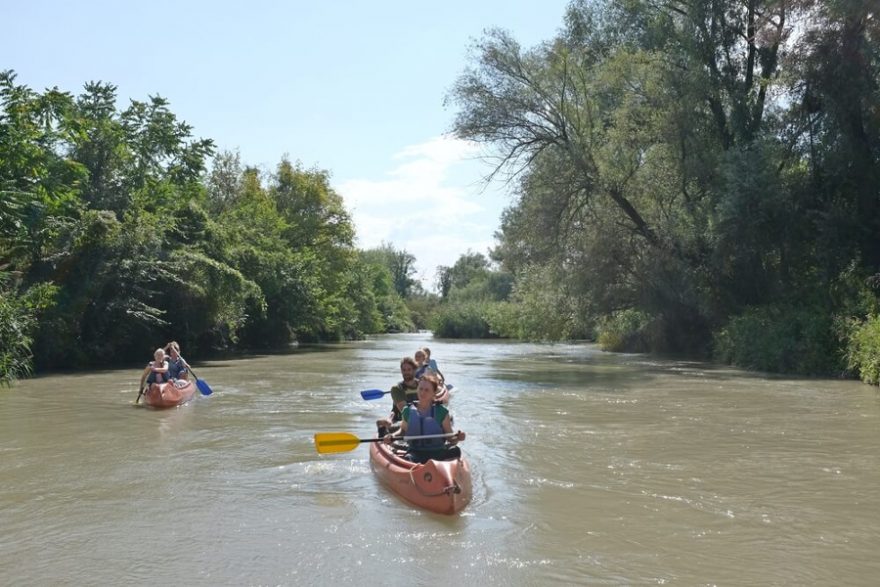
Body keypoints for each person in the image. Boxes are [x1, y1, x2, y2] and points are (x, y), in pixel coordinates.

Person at [383, 374, 465, 463]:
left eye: (427, 390)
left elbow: (450, 438)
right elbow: (402, 431)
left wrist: (458, 437)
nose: (422, 392)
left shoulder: (442, 412)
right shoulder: (408, 411)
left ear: (433, 393)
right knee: (408, 459)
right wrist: (392, 436)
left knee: (456, 450)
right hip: (415, 453)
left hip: (438, 453)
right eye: (420, 389)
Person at [376, 357, 420, 437]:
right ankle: (383, 426)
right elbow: (406, 412)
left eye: (409, 369)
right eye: (404, 370)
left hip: (421, 418)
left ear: (414, 370)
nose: (406, 372)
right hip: (402, 420)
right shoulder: (396, 389)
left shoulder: (422, 385)